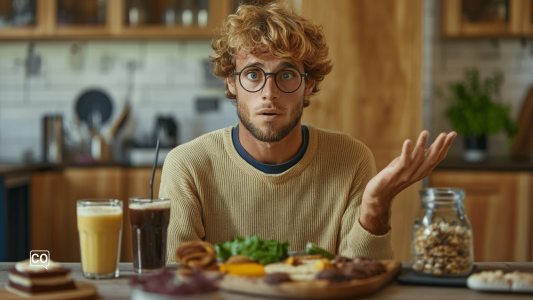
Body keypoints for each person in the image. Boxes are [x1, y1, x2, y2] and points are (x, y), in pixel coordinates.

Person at [160, 2, 456, 263]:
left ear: (309, 84)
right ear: (231, 83)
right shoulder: (187, 165)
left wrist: (376, 203)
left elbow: (362, 276)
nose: (269, 94)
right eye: (253, 74)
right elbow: (178, 278)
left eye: (286, 75)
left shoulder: (352, 158)